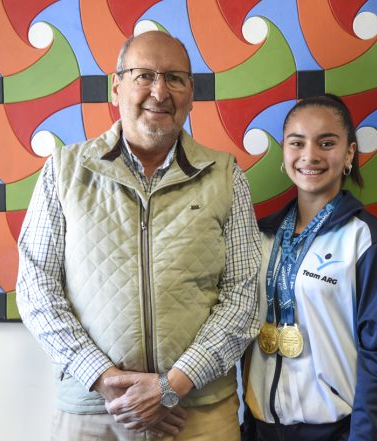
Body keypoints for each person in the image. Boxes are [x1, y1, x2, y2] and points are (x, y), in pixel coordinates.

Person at [16, 30, 261, 441]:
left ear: (191, 94)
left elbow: (244, 294)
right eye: (144, 75)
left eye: (175, 78)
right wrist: (107, 381)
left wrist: (172, 385)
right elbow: (35, 288)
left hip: (197, 413)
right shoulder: (63, 171)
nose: (160, 92)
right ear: (116, 87)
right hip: (95, 413)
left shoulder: (225, 176)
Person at [241, 95, 377, 441]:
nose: (310, 155)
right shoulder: (259, 237)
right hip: (262, 430)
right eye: (297, 143)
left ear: (349, 153)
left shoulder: (369, 242)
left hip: (340, 432)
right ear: (284, 151)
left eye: (326, 143)